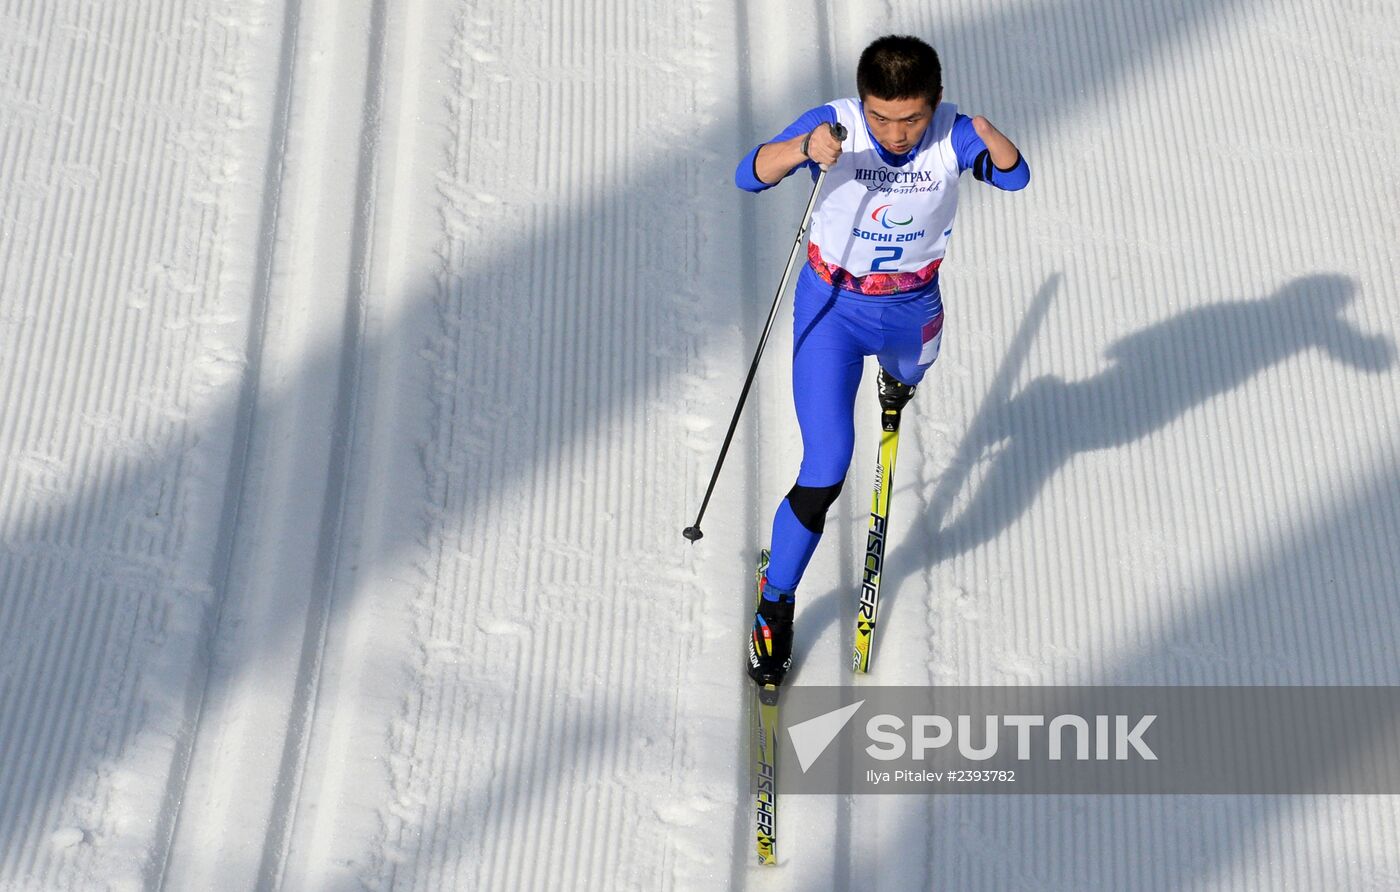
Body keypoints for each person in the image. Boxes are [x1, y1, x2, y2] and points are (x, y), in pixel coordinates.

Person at [737, 34, 1030, 686]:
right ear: (863, 103)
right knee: (827, 464)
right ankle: (775, 601)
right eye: (882, 117)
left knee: (906, 377)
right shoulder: (833, 125)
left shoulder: (953, 135)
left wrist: (991, 135)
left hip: (911, 312)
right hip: (832, 312)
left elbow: (1014, 175)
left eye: (912, 118)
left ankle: (896, 390)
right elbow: (748, 174)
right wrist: (801, 151)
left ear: (935, 104)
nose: (896, 133)